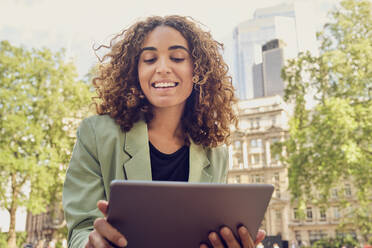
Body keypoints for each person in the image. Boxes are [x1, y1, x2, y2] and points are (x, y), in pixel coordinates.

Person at [62, 15, 265, 248]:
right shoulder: (95, 134)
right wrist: (90, 244)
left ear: (197, 70)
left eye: (177, 58)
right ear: (135, 72)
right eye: (149, 60)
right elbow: (80, 228)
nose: (162, 68)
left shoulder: (215, 151)